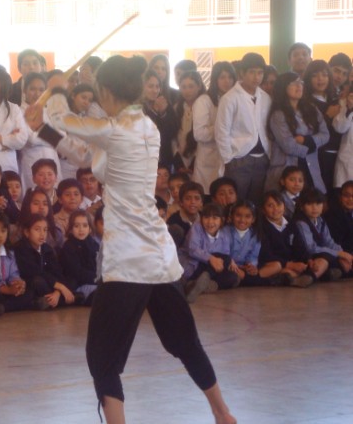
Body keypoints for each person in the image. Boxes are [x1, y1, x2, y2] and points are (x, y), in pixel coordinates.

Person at [25, 55, 236, 424]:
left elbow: (64, 118)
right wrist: (42, 129)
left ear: (107, 91)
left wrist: (56, 90)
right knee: (184, 343)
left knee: (102, 358)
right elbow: (85, 153)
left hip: (128, 259)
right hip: (159, 256)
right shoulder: (143, 126)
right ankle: (223, 414)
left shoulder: (114, 128)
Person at [215, 52, 271, 206]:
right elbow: (221, 132)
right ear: (242, 73)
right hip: (239, 158)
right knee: (235, 204)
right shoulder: (230, 98)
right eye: (252, 72)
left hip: (262, 158)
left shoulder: (265, 97)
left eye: (260, 72)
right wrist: (228, 159)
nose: (256, 77)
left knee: (256, 204)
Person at [265, 72, 329, 194]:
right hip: (286, 168)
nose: (299, 86)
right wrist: (312, 147)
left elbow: (325, 135)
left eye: (301, 82)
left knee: (314, 200)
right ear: (283, 87)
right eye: (294, 83)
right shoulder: (278, 114)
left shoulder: (311, 108)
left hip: (310, 166)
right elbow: (288, 146)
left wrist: (307, 140)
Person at [179, 202, 240, 303]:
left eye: (215, 218)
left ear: (222, 220)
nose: (210, 222)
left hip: (212, 268)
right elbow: (193, 249)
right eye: (206, 217)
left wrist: (230, 261)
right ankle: (203, 279)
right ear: (201, 218)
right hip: (194, 266)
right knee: (224, 259)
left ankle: (198, 285)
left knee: (233, 277)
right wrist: (210, 258)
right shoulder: (196, 228)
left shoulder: (224, 234)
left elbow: (225, 253)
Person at [13, 213, 75, 309]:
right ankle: (65, 300)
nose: (42, 234)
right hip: (31, 286)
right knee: (38, 281)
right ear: (26, 232)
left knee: (71, 278)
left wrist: (57, 292)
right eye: (37, 229)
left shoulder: (47, 248)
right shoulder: (20, 248)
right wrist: (60, 286)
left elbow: (57, 272)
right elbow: (34, 271)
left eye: (45, 230)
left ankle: (51, 300)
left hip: (49, 285)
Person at [193, 62, 236, 194]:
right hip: (209, 160)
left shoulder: (236, 100)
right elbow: (199, 134)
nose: (227, 81)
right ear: (215, 79)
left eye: (230, 77)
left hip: (231, 159)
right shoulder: (204, 101)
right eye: (222, 77)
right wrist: (222, 126)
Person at [292, 187, 352, 280]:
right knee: (324, 259)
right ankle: (309, 277)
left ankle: (329, 274)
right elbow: (311, 248)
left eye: (318, 204)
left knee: (345, 260)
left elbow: (329, 242)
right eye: (309, 204)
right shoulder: (301, 222)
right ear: (301, 206)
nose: (314, 208)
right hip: (304, 256)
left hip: (319, 252)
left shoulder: (320, 220)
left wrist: (343, 254)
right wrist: (338, 253)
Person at [0, 211, 34, 312]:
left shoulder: (10, 253)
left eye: (3, 231)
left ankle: (2, 307)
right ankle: (7, 306)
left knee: (29, 291)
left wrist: (17, 283)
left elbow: (13, 274)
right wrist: (5, 289)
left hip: (7, 291)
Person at [256, 191, 313, 287]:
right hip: (273, 263)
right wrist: (288, 264)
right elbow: (265, 255)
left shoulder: (290, 222)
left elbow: (299, 245)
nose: (275, 209)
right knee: (281, 269)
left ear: (284, 206)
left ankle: (293, 277)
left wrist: (308, 260)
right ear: (263, 209)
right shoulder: (261, 226)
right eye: (270, 206)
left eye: (279, 204)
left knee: (317, 264)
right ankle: (290, 278)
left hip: (291, 261)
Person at [303, 60, 340, 194]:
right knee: (320, 195)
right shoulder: (305, 103)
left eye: (324, 75)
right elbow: (309, 132)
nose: (320, 79)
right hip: (318, 156)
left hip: (339, 155)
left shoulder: (336, 100)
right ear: (308, 79)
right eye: (315, 75)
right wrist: (328, 117)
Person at [59, 210, 99, 305]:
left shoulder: (94, 244)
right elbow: (76, 272)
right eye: (76, 226)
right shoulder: (68, 246)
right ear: (71, 229)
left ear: (90, 228)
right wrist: (97, 278)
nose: (81, 229)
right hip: (78, 283)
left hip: (94, 280)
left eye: (85, 226)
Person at [172, 70, 205, 172]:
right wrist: (177, 156)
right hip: (180, 159)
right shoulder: (177, 108)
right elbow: (173, 135)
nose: (187, 91)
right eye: (183, 87)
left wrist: (195, 161)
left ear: (199, 87)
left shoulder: (205, 107)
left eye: (191, 86)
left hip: (201, 159)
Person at [226, 200, 262, 286]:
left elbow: (253, 256)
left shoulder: (255, 235)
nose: (242, 220)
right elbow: (223, 253)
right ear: (231, 216)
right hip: (228, 265)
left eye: (247, 216)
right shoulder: (225, 232)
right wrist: (233, 265)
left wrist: (250, 266)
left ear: (253, 219)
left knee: (256, 276)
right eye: (238, 215)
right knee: (231, 276)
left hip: (243, 268)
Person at [333, 83, 353, 187]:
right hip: (348, 163)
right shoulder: (344, 103)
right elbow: (339, 128)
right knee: (344, 193)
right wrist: (349, 109)